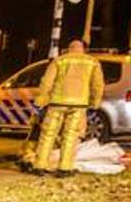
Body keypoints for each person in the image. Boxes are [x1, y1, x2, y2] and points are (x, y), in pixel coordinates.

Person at [32, 39, 104, 177]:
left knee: (48, 134)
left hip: (57, 103)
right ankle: (65, 168)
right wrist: (94, 104)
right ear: (83, 49)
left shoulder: (59, 61)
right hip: (79, 105)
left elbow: (46, 83)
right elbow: (97, 85)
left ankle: (39, 165)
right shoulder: (92, 62)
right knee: (71, 135)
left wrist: (40, 102)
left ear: (69, 48)